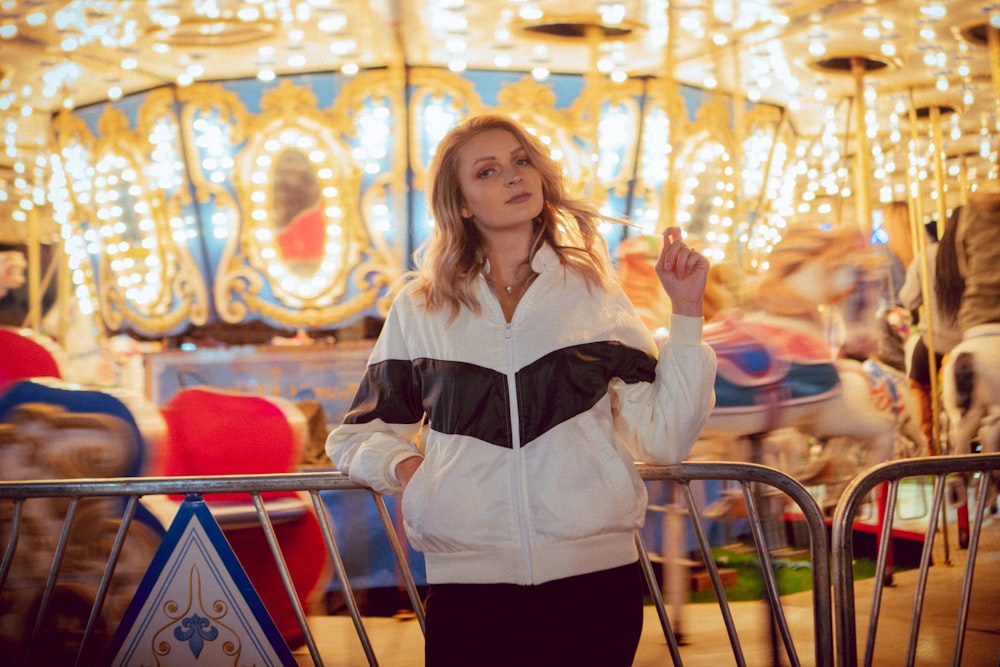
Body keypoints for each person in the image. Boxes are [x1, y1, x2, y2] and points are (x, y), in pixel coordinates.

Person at [325, 114, 717, 667]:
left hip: (595, 577)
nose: (514, 176)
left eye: (521, 160)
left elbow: (666, 437)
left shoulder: (592, 294)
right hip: (468, 582)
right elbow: (356, 435)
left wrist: (686, 309)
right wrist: (412, 473)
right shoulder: (422, 307)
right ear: (460, 203)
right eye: (488, 171)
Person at [898, 208, 964, 455]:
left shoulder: (926, 256)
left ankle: (929, 440)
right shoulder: (968, 253)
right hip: (968, 335)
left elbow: (908, 299)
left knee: (917, 384)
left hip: (936, 340)